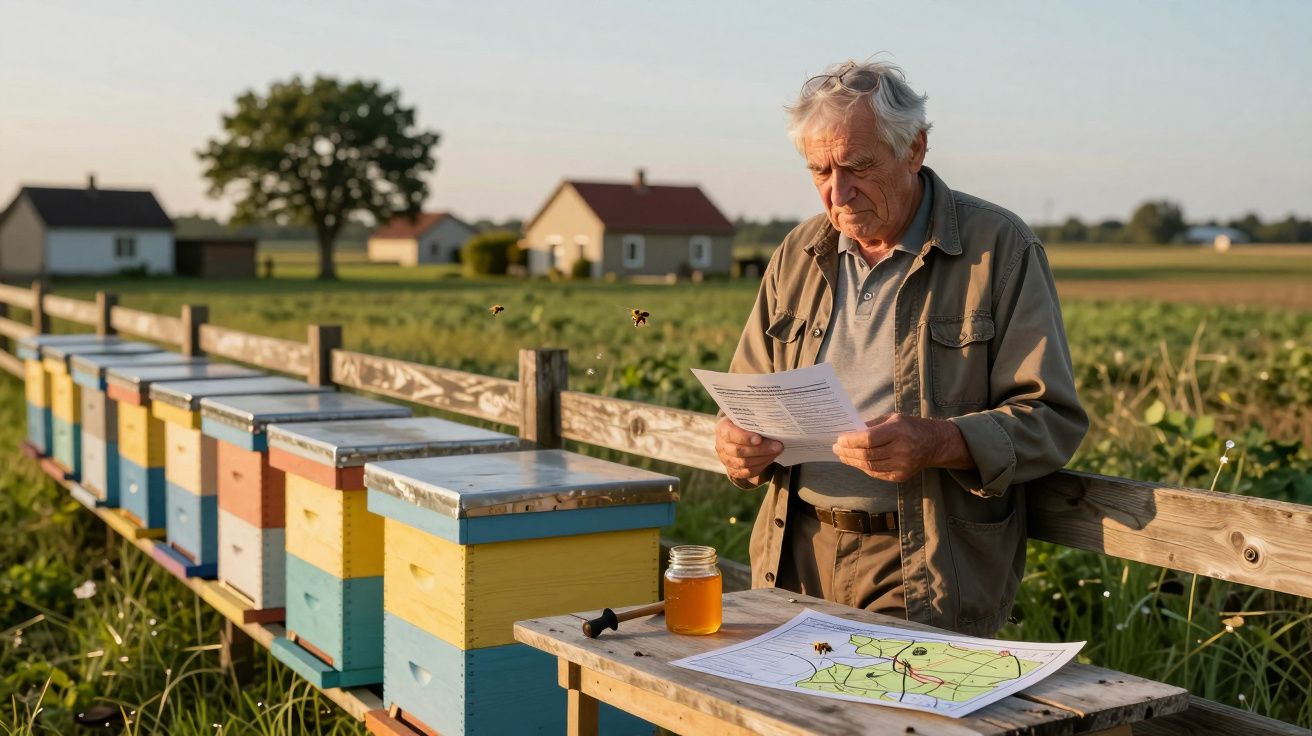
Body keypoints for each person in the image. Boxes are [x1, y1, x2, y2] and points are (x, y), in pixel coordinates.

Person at [715, 60, 1088, 636]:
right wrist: (736, 446)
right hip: (794, 550)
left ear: (914, 149)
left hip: (924, 563)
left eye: (858, 166)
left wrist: (939, 441)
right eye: (820, 170)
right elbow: (744, 398)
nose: (838, 192)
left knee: (890, 697)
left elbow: (1051, 420)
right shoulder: (797, 252)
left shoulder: (999, 247)